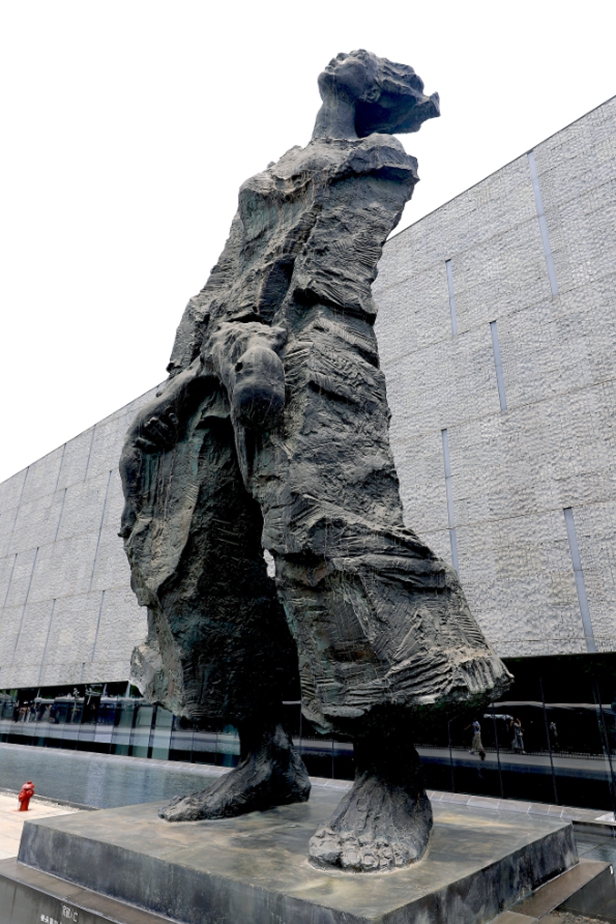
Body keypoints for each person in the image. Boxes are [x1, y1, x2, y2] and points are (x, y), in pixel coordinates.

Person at [120, 50, 511, 872]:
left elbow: (323, 280)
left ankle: (389, 771)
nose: (353, 60)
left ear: (378, 98)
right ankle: (268, 758)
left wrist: (253, 346)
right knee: (193, 556)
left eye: (377, 66)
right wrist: (190, 372)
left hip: (311, 344)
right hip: (215, 364)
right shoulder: (270, 173)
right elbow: (222, 280)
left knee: (327, 529)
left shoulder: (377, 162)